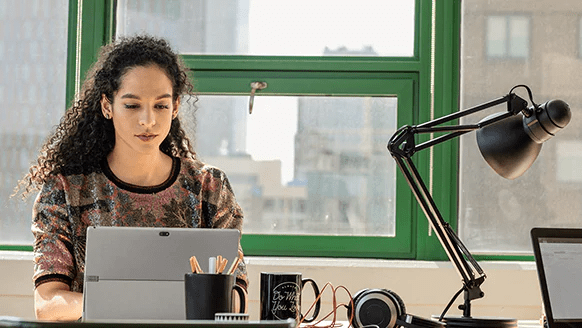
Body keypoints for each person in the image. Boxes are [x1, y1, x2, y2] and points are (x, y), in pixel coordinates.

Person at [14, 34, 248, 321]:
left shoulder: (209, 188)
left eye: (161, 105)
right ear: (107, 106)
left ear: (175, 107)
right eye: (132, 105)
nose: (148, 120)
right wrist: (132, 302)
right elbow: (48, 304)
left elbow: (235, 298)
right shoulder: (65, 190)